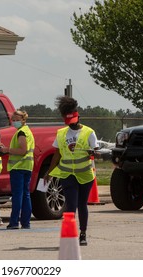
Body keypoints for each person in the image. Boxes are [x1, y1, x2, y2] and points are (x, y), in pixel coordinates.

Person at [43, 96, 99, 246]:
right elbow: (57, 154)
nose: (71, 126)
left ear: (78, 116)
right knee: (71, 205)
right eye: (69, 123)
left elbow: (96, 152)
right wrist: (49, 171)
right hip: (67, 174)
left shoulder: (89, 132)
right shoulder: (61, 133)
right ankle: (70, 235)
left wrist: (93, 153)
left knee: (82, 205)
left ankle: (83, 233)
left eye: (73, 122)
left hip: (85, 174)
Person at [0, 110, 35, 230]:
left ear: (23, 120)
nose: (14, 122)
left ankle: (14, 222)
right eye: (13, 120)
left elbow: (22, 150)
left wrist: (7, 150)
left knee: (18, 196)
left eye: (16, 120)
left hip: (18, 167)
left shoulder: (21, 133)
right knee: (25, 195)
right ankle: (26, 222)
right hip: (27, 166)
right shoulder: (27, 131)